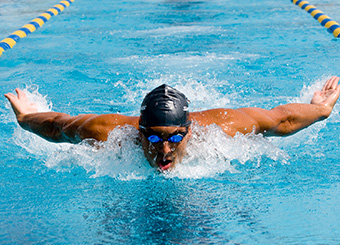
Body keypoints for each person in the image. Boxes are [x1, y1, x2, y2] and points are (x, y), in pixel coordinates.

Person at [4, 76, 340, 171]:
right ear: (139, 129)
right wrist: (26, 117)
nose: (164, 152)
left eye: (175, 138)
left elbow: (280, 119)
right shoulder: (111, 132)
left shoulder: (221, 128)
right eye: (153, 139)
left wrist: (320, 110)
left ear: (191, 129)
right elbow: (58, 126)